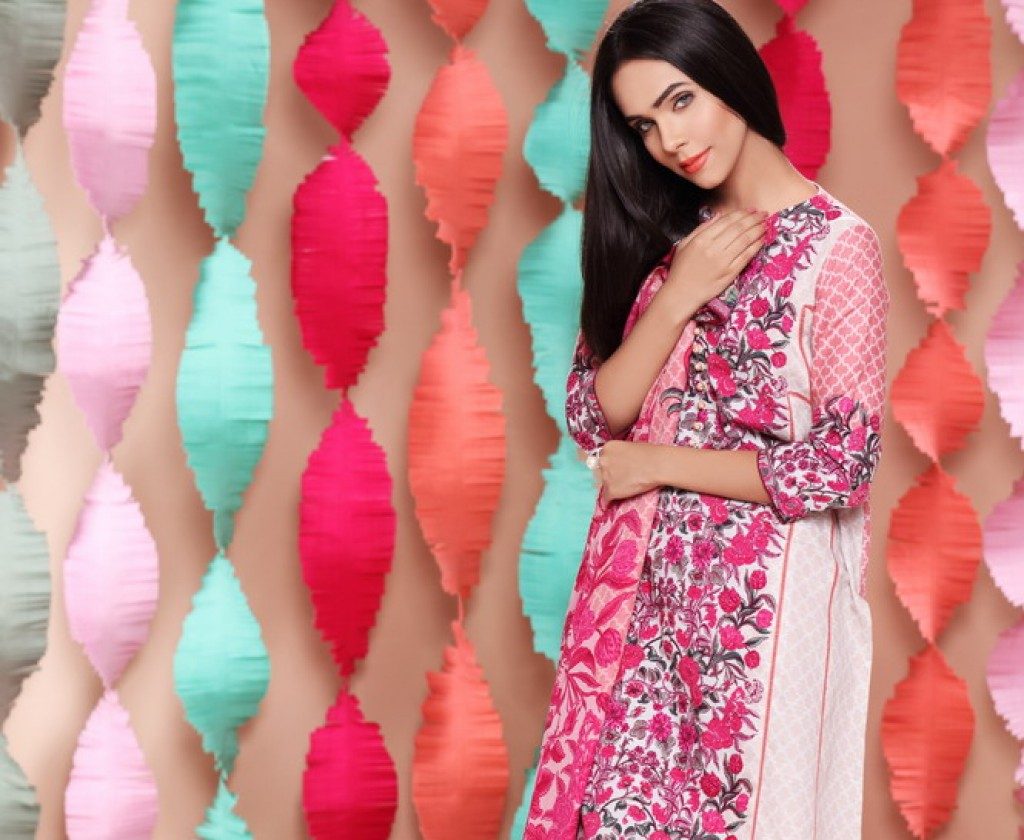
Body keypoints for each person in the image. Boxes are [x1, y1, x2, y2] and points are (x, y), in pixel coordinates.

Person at [523, 1, 890, 838]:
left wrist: (658, 464)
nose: (670, 141)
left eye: (680, 100)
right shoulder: (660, 242)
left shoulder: (840, 249)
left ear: (730, 75)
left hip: (763, 619)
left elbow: (842, 462)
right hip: (644, 614)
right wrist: (679, 294)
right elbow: (593, 413)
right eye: (644, 125)